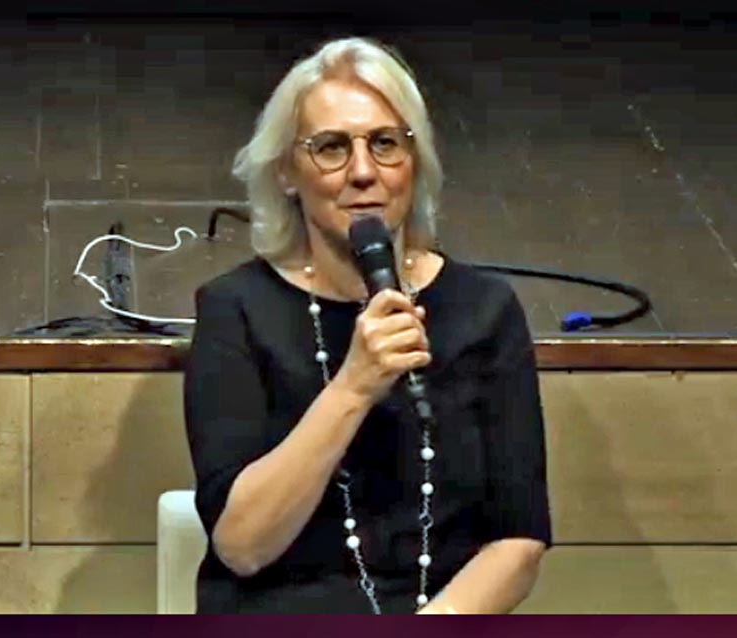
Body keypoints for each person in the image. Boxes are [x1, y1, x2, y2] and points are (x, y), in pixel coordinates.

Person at [183, 36, 551, 614]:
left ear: (415, 162)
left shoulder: (485, 310)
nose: (362, 172)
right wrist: (354, 386)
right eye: (331, 147)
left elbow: (518, 541)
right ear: (286, 172)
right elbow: (242, 546)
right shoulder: (236, 310)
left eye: (385, 144)